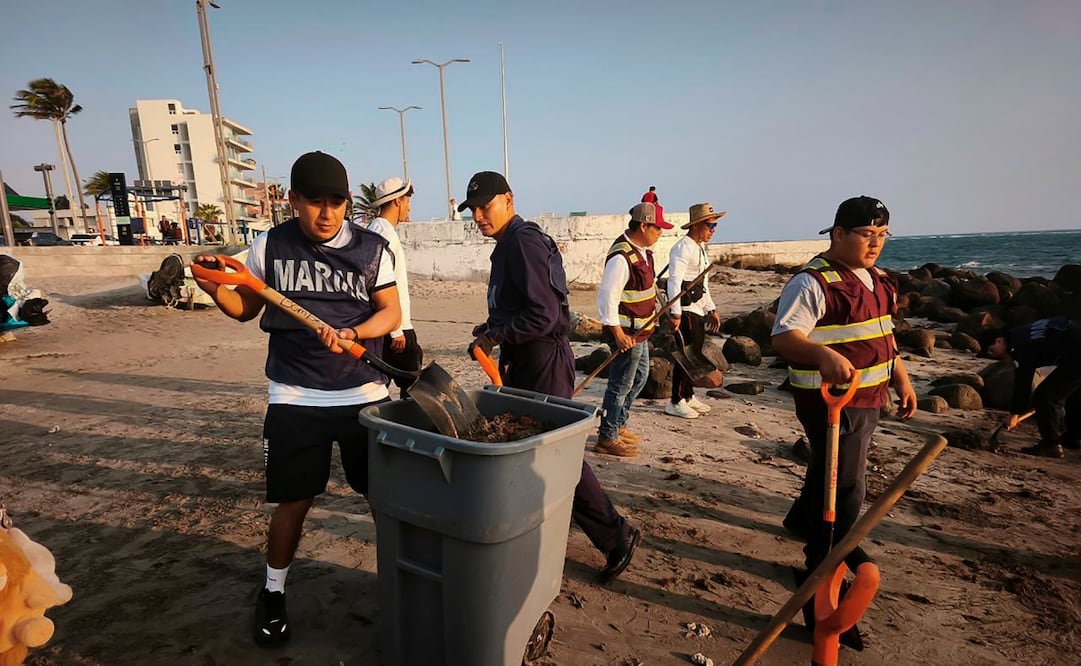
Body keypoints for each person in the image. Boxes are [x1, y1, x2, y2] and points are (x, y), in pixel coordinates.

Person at [192, 151, 401, 648]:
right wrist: (214, 290)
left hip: (364, 395)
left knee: (384, 501)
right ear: (292, 201)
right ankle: (273, 593)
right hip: (294, 395)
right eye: (314, 202)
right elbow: (245, 306)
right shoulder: (270, 245)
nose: (325, 213)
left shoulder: (372, 249)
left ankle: (400, 584)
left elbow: (389, 313)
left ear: (348, 203)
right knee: (293, 503)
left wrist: (355, 330)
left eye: (336, 202)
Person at [460, 171, 641, 581]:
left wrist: (495, 335)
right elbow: (524, 308)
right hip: (525, 359)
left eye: (485, 206)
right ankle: (537, 533)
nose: (478, 216)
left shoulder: (522, 243)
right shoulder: (511, 244)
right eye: (472, 209)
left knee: (555, 456)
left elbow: (544, 315)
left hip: (542, 360)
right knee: (533, 451)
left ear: (509, 199)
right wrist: (490, 332)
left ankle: (617, 536)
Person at [771, 195, 916, 646]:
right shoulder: (813, 283)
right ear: (838, 234)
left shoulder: (881, 281)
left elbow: (883, 336)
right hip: (829, 402)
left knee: (829, 471)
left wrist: (902, 378)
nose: (875, 244)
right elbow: (784, 336)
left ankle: (802, 522)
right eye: (866, 235)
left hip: (870, 398)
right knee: (848, 491)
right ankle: (823, 579)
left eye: (881, 236)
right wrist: (821, 354)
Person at [596, 201, 673, 456]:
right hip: (627, 335)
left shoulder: (644, 252)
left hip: (642, 332)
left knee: (639, 378)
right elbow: (608, 296)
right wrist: (617, 334)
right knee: (620, 385)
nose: (660, 233)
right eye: (657, 228)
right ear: (644, 225)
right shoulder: (622, 257)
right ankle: (607, 436)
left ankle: (617, 424)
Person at [981, 317, 1081, 457]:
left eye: (992, 350)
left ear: (999, 340)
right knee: (1071, 392)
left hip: (1076, 353)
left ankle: (1051, 444)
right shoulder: (1020, 334)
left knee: (1046, 396)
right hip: (1074, 349)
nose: (994, 355)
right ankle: (1073, 437)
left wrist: (1014, 414)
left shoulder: (1018, 346)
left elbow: (1024, 383)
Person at [665, 203, 724, 419]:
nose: (713, 230)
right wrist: (676, 313)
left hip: (698, 308)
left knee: (696, 353)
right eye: (710, 225)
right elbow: (674, 281)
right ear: (697, 225)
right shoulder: (682, 248)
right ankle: (676, 400)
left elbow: (703, 283)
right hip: (687, 309)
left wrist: (711, 309)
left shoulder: (699, 249)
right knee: (686, 356)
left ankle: (688, 396)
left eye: (715, 226)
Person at [365, 177, 423, 398]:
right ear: (397, 201)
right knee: (413, 384)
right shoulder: (383, 234)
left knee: (389, 378)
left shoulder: (378, 230)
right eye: (407, 200)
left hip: (389, 321)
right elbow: (382, 282)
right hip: (395, 323)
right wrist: (396, 329)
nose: (408, 206)